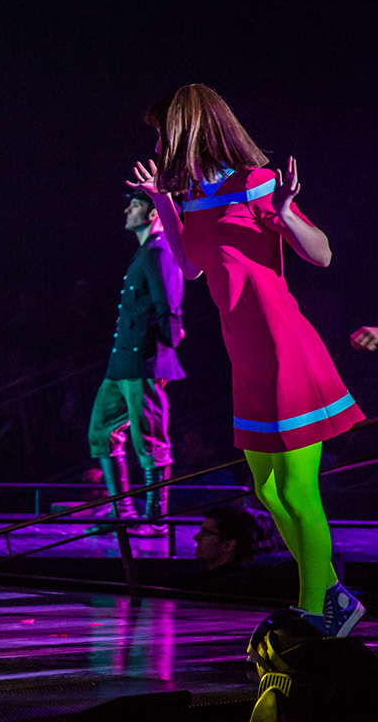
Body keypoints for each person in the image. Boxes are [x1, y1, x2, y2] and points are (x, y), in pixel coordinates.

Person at [131, 84, 365, 637]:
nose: (160, 142)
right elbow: (190, 269)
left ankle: (315, 611)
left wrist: (284, 212)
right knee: (264, 491)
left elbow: (323, 254)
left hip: (285, 349)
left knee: (297, 489)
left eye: (164, 131)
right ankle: (331, 592)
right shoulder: (190, 196)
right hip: (247, 356)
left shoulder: (255, 184)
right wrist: (163, 200)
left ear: (188, 128)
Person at [87, 191, 184, 533]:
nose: (128, 209)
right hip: (124, 362)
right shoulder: (146, 252)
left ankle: (155, 519)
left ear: (153, 213)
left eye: (136, 204)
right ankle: (122, 511)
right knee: (101, 429)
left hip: (144, 360)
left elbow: (168, 305)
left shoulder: (159, 251)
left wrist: (167, 350)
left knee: (150, 440)